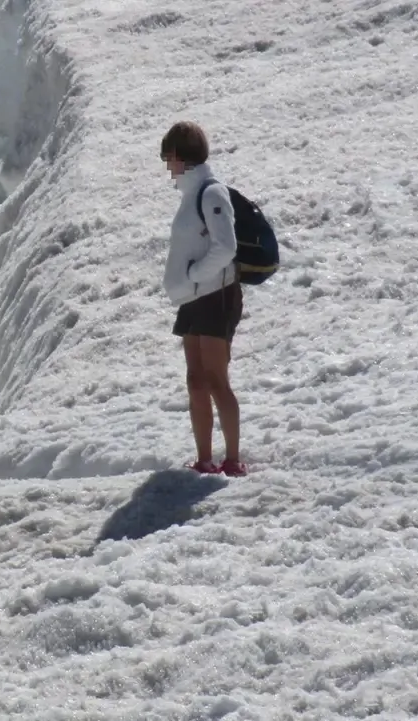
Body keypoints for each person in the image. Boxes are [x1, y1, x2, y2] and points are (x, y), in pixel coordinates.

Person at [159, 121, 247, 477]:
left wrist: (194, 275)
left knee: (215, 379)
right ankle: (205, 459)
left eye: (168, 157)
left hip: (216, 296)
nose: (166, 165)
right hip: (193, 299)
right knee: (196, 379)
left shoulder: (210, 193)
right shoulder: (191, 194)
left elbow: (226, 247)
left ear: (181, 156)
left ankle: (232, 459)